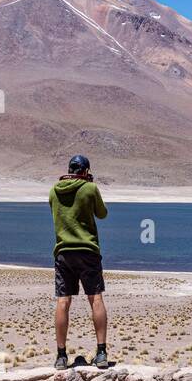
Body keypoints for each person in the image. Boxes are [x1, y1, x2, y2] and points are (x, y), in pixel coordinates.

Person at [49, 154, 110, 369]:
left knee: (63, 301)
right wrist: (89, 187)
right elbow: (102, 214)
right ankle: (101, 352)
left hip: (63, 251)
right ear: (85, 171)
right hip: (87, 250)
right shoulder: (90, 189)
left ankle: (61, 356)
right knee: (95, 298)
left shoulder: (54, 191)